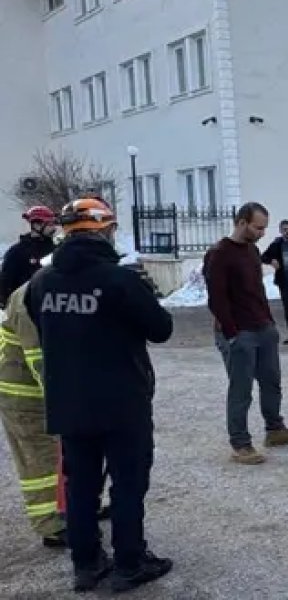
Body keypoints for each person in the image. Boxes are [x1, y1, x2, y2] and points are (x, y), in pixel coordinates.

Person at [25, 198, 174, 593]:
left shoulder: (42, 283)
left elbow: (43, 327)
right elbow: (161, 328)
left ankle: (86, 563)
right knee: (127, 482)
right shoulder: (118, 280)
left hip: (69, 400)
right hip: (121, 399)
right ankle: (130, 562)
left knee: (81, 485)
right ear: (103, 230)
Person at [205, 203, 288, 466]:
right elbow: (217, 298)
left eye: (264, 227)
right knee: (241, 389)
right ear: (241, 222)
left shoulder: (252, 250)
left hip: (263, 328)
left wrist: (270, 323)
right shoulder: (219, 254)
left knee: (271, 381)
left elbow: (257, 290)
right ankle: (240, 443)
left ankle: (275, 429)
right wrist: (231, 333)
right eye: (258, 227)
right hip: (240, 332)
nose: (263, 232)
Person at [0, 272, 66, 548]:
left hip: (34, 391)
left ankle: (71, 508)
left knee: (62, 455)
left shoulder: (44, 292)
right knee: (39, 461)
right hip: (23, 396)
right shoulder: (29, 300)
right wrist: (64, 404)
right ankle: (50, 525)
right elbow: (39, 360)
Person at [0, 205, 59, 305]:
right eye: (49, 224)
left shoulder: (56, 249)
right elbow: (5, 280)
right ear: (36, 225)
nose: (54, 228)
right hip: (24, 306)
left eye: (54, 224)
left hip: (50, 305)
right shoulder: (18, 251)